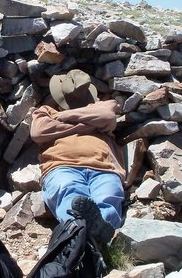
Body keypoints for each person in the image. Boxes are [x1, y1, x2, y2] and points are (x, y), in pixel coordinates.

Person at [30, 69, 126, 244]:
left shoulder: (102, 106)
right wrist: (90, 124)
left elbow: (107, 116)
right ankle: (92, 238)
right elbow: (38, 131)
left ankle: (81, 238)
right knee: (69, 192)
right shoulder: (45, 111)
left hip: (104, 167)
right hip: (61, 166)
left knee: (108, 200)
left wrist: (63, 118)